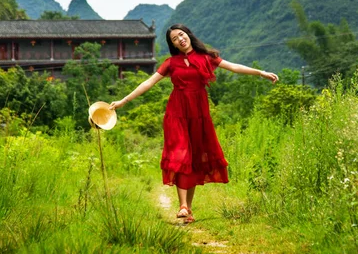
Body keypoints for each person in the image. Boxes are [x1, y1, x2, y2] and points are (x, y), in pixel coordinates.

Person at [110, 24, 278, 223]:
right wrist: (123, 101)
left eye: (181, 35)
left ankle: (188, 209)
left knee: (195, 158)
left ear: (188, 35)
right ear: (173, 45)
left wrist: (260, 72)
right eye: (174, 39)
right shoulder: (171, 63)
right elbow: (148, 83)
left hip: (199, 115)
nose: (180, 39)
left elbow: (234, 67)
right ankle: (182, 205)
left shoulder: (207, 57)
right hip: (177, 113)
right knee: (181, 153)